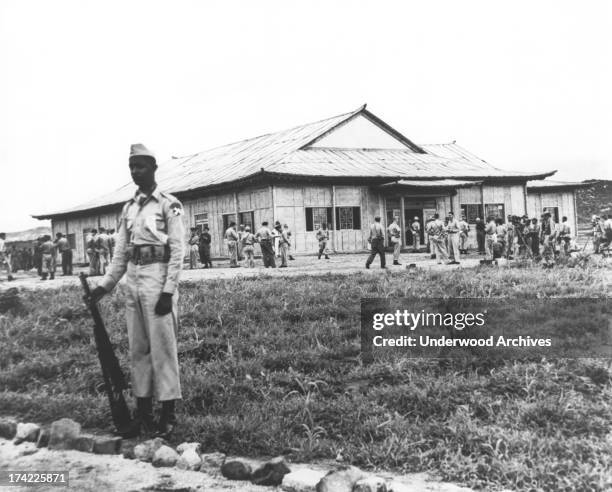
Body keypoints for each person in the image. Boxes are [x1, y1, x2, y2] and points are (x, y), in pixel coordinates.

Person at [89, 143, 185, 438]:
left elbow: (178, 251)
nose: (135, 172)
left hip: (158, 281)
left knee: (163, 349)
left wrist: (168, 292)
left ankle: (167, 414)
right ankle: (143, 413)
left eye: (140, 166)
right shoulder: (128, 208)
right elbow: (120, 254)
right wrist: (104, 287)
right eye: (131, 166)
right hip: (134, 280)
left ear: (154, 168)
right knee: (138, 350)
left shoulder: (169, 205)